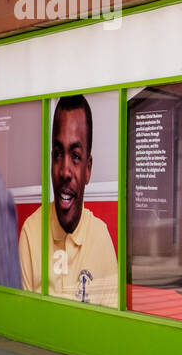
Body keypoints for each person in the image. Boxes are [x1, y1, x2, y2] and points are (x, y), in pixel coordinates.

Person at [18, 94, 118, 308]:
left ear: (88, 169)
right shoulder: (31, 233)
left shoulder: (101, 239)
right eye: (57, 154)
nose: (64, 171)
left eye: (75, 156)